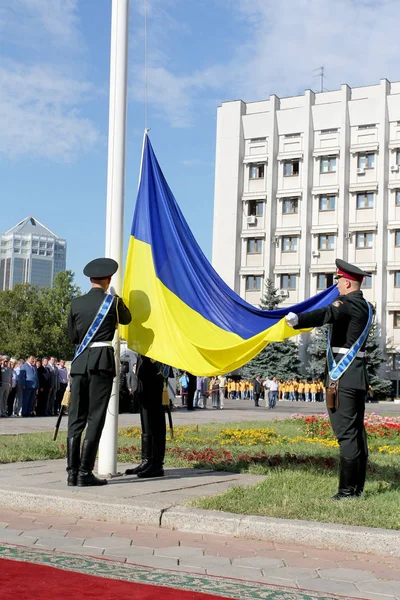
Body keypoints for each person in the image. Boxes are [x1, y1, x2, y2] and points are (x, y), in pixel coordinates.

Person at [286, 259, 373, 500]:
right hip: (356, 378)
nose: (336, 287)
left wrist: (298, 320)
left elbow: (328, 313)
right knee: (356, 433)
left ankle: (346, 492)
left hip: (343, 379)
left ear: (346, 282)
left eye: (338, 283)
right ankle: (357, 489)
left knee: (346, 434)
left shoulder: (346, 303)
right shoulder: (365, 306)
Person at [66, 258, 131, 487]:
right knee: (95, 418)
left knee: (75, 419)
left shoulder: (76, 303)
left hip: (80, 363)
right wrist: (117, 299)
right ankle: (85, 473)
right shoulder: (112, 302)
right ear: (109, 279)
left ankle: (72, 473)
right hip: (101, 362)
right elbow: (128, 319)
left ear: (90, 279)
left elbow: (74, 337)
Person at [125, 355, 171, 478]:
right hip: (144, 376)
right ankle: (147, 460)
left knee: (156, 422)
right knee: (146, 422)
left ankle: (157, 464)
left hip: (156, 374)